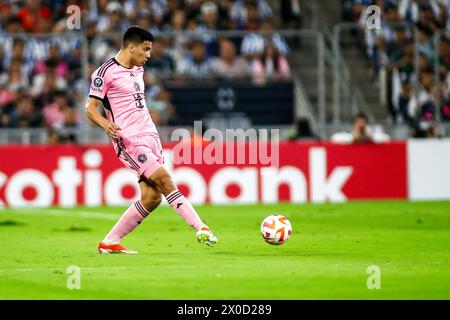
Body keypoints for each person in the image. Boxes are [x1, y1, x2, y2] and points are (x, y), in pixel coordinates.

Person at [85, 26, 218, 254]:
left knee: (152, 197)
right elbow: (90, 109)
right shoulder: (104, 72)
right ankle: (201, 227)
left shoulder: (138, 70)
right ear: (131, 47)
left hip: (150, 136)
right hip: (128, 140)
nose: (148, 55)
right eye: (146, 50)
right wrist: (106, 124)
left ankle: (109, 241)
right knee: (165, 181)